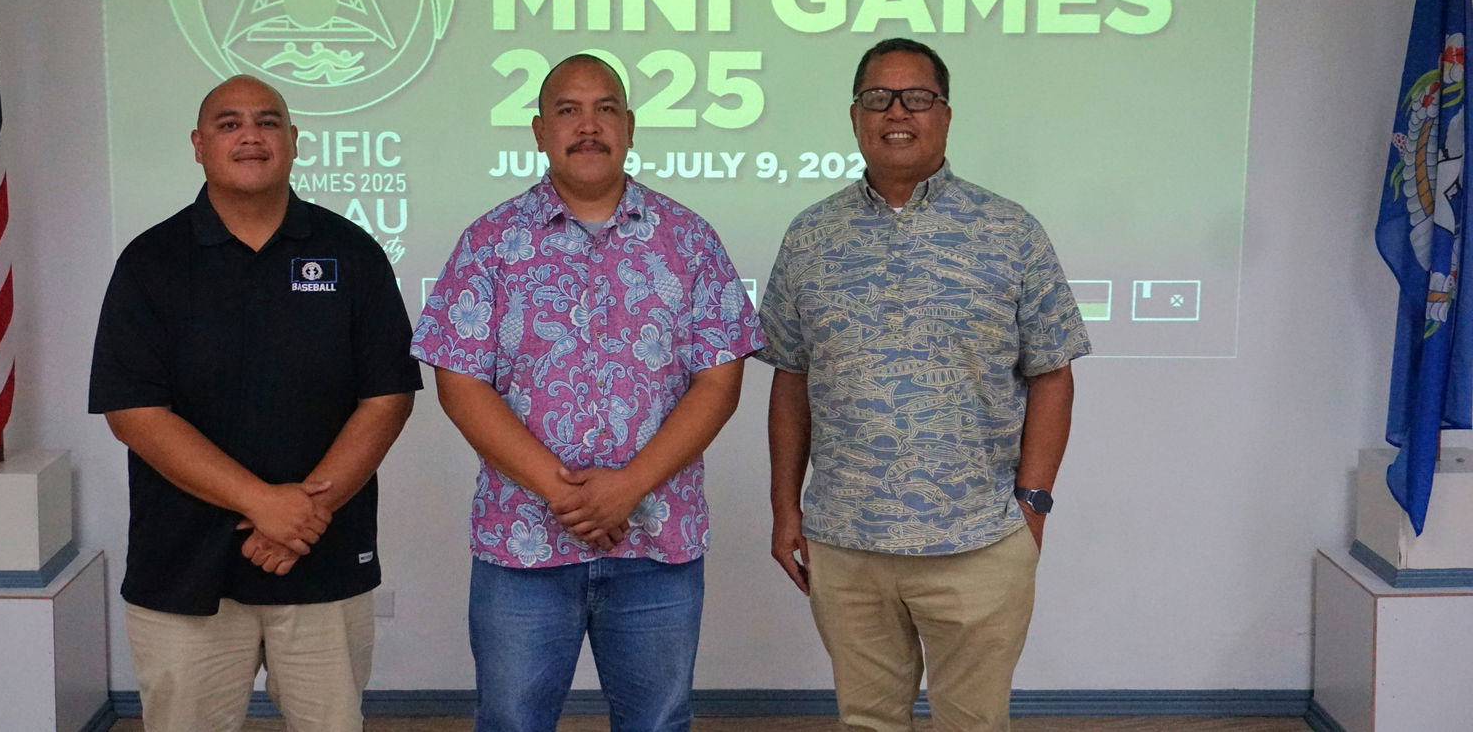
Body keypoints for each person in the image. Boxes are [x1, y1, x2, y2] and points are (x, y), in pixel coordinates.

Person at [411, 54, 765, 732]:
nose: (588, 125)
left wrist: (629, 487)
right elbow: (459, 384)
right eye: (568, 111)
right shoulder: (490, 243)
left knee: (659, 723)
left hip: (656, 544)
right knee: (512, 722)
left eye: (605, 108)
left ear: (629, 126)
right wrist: (568, 493)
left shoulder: (688, 240)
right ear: (539, 130)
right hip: (523, 547)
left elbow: (719, 383)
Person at [759, 38, 1090, 732]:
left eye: (917, 97)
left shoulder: (1010, 231)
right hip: (846, 544)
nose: (897, 112)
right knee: (867, 721)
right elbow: (791, 378)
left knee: (973, 724)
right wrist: (786, 508)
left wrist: (1031, 505)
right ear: (855, 117)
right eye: (878, 98)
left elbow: (1052, 372)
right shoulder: (810, 237)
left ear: (944, 114)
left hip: (977, 542)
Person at [90, 74, 418, 732]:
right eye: (228, 122)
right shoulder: (151, 261)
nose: (250, 135)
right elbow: (136, 413)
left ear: (294, 142)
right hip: (183, 570)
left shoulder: (350, 252)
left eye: (268, 122)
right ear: (198, 145)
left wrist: (306, 514)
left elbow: (387, 397)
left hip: (321, 559)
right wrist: (261, 502)